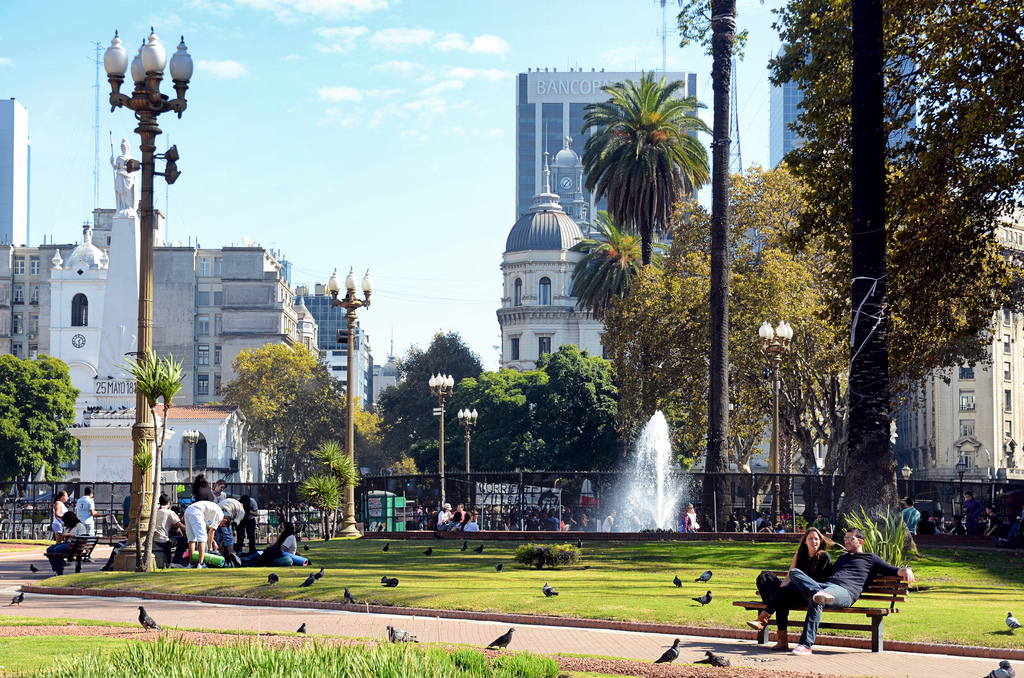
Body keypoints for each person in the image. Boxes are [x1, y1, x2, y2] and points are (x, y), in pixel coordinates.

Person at [784, 528, 914, 655]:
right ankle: (819, 593)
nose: (846, 541)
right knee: (795, 573)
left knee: (817, 598)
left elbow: (894, 570)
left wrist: (907, 569)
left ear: (861, 542)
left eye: (850, 539)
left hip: (845, 592)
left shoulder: (871, 559)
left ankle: (805, 645)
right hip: (826, 587)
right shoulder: (842, 558)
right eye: (845, 538)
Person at [748, 526, 837, 651]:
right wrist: (779, 593)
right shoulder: (799, 555)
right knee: (779, 597)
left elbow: (818, 582)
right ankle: (782, 641)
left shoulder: (824, 557)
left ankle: (762, 620)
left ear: (821, 541)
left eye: (816, 539)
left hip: (813, 595)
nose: (814, 542)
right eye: (810, 539)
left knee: (782, 594)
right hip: (795, 592)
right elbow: (790, 576)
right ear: (805, 541)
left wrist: (781, 592)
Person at [182, 499, 235, 568]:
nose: (220, 526)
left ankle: (191, 563)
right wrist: (210, 547)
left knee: (192, 539)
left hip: (189, 510)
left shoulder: (212, 515)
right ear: (224, 520)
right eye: (222, 525)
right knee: (202, 538)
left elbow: (207, 530)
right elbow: (212, 531)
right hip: (197, 511)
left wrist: (213, 541)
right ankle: (201, 564)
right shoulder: (220, 515)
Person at [45, 511, 88, 576]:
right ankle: (57, 568)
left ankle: (59, 567)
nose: (66, 523)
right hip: (67, 544)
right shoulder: (68, 527)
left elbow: (81, 538)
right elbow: (65, 539)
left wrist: (70, 535)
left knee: (56, 550)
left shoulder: (80, 526)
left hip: (74, 545)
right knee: (49, 550)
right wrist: (63, 536)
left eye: (67, 522)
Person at [152, 494, 186, 567]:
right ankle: (177, 562)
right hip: (164, 541)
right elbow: (181, 526)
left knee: (168, 541)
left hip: (155, 540)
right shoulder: (169, 512)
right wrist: (185, 536)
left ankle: (168, 563)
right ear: (168, 503)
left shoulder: (155, 512)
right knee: (183, 540)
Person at [111, 138, 138, 216]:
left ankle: (129, 207)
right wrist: (111, 162)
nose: (124, 148)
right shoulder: (119, 158)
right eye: (122, 146)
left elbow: (135, 170)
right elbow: (116, 167)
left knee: (129, 193)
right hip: (120, 176)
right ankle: (122, 207)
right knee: (122, 194)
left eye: (125, 146)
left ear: (128, 147)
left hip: (129, 177)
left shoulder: (132, 158)